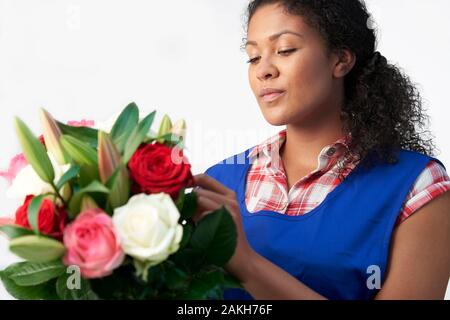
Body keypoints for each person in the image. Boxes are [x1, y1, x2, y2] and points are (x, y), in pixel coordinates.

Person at [190, 0, 450, 300]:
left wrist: (247, 264)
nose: (263, 70)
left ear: (340, 60)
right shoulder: (217, 182)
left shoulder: (417, 187)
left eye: (285, 50)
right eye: (253, 57)